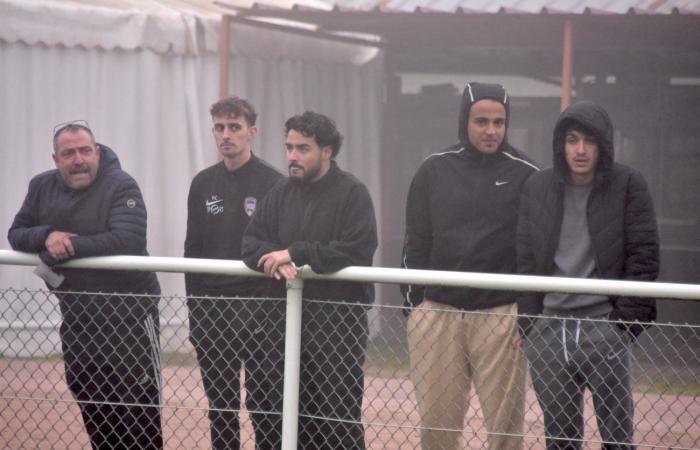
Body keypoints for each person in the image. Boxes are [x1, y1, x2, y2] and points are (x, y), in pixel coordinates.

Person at [8, 121, 162, 449]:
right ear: (56, 159)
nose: (78, 159)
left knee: (139, 421)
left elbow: (129, 239)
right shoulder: (41, 187)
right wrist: (47, 236)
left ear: (97, 152)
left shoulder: (121, 185)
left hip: (130, 321)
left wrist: (66, 249)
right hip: (79, 321)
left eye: (84, 151)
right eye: (69, 153)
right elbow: (16, 233)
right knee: (95, 412)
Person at [401, 82, 538, 450]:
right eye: (482, 121)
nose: (491, 130)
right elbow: (416, 241)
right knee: (436, 427)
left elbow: (532, 251)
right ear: (465, 120)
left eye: (499, 121)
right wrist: (415, 307)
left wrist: (526, 311)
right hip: (438, 313)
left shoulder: (528, 175)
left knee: (506, 430)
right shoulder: (434, 169)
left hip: (501, 316)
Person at [516, 101, 659, 450]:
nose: (580, 150)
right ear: (560, 144)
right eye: (572, 140)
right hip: (548, 330)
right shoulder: (538, 186)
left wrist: (624, 324)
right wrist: (530, 322)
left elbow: (644, 255)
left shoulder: (628, 184)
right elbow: (524, 256)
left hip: (604, 327)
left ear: (604, 145)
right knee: (560, 440)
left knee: (617, 438)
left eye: (590, 141)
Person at [242, 111, 378, 449]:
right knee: (274, 419)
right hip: (277, 329)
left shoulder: (352, 193)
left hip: (335, 329)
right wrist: (275, 261)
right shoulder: (280, 192)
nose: (292, 157)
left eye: (303, 149)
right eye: (289, 148)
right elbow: (251, 244)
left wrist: (297, 253)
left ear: (328, 151)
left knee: (335, 422)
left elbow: (356, 248)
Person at [184, 97, 284, 450]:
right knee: (220, 407)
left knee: (265, 405)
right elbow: (191, 251)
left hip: (259, 309)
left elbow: (279, 251)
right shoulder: (202, 183)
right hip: (212, 311)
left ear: (251, 132)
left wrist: (273, 311)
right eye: (219, 127)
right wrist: (195, 311)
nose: (226, 135)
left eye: (235, 127)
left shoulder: (274, 183)